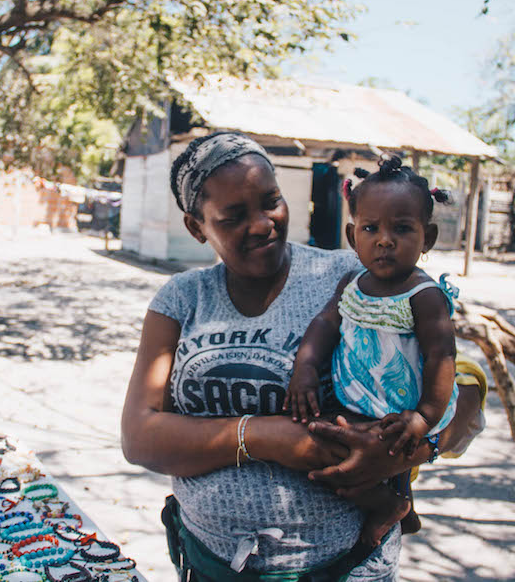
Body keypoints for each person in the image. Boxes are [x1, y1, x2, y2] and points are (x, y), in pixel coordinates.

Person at [120, 131, 485, 581]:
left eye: (271, 201)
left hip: (346, 568)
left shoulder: (352, 277)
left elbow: (462, 387)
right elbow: (139, 437)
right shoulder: (181, 299)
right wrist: (269, 437)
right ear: (197, 227)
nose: (261, 224)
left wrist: (405, 451)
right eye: (233, 216)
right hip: (210, 566)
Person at [283, 156, 458, 548]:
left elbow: (442, 359)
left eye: (401, 228)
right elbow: (326, 324)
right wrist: (305, 367)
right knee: (327, 439)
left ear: (426, 238)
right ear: (352, 236)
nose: (384, 240)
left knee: (343, 450)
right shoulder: (352, 282)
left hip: (403, 409)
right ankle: (403, 508)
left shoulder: (424, 295)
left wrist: (424, 417)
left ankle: (385, 506)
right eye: (370, 228)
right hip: (361, 396)